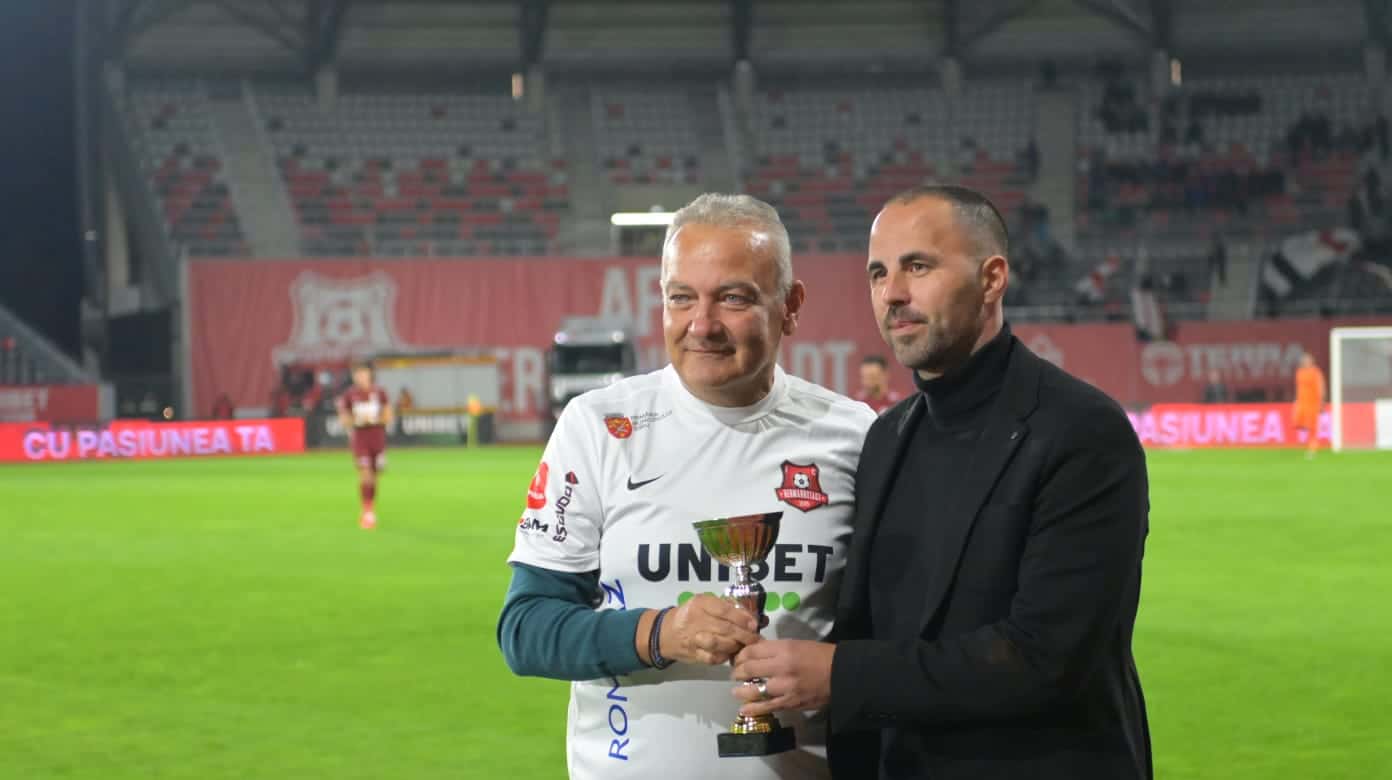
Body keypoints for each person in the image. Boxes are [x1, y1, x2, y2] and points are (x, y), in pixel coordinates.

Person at [728, 185, 1152, 779]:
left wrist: (838, 675)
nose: (892, 294)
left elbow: (1044, 659)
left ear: (993, 278)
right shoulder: (887, 438)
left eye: (918, 267)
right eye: (878, 274)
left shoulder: (1082, 433)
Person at [496, 193, 877, 780]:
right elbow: (526, 629)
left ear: (791, 305)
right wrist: (661, 632)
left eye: (733, 297)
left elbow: (901, 636)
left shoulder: (855, 437)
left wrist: (842, 672)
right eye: (682, 298)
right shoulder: (599, 427)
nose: (702, 325)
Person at [336, 361, 392, 529]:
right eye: (357, 374)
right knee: (365, 473)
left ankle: (370, 508)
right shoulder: (349, 395)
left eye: (363, 373)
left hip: (378, 438)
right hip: (360, 439)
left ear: (370, 374)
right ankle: (367, 512)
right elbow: (344, 420)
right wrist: (358, 420)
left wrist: (373, 419)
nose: (360, 377)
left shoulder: (380, 393)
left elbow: (388, 416)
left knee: (374, 477)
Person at [1291, 352, 1326, 458]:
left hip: (1313, 404)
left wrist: (1321, 402)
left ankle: (1312, 448)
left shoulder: (1316, 372)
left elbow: (1321, 387)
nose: (1305, 362)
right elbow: (1298, 388)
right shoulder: (1299, 372)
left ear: (1311, 361)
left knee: (1312, 427)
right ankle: (1310, 443)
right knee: (1297, 423)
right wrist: (1296, 401)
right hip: (1302, 403)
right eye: (1303, 360)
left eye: (1307, 360)